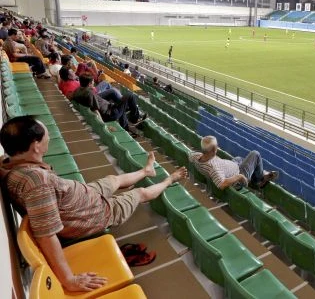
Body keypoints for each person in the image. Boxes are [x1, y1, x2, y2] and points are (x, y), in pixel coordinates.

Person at [0, 115, 187, 293]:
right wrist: (69, 280)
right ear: (36, 146)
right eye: (46, 135)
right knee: (140, 193)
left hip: (81, 195)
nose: (49, 137)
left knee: (113, 179)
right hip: (94, 213)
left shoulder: (9, 164)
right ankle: (170, 179)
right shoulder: (36, 183)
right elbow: (46, 235)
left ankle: (147, 171)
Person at [190, 136, 278, 190]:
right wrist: (239, 176)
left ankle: (259, 173)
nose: (218, 146)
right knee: (255, 154)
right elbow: (222, 184)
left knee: (239, 158)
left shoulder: (196, 156)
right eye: (217, 145)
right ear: (214, 150)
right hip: (239, 174)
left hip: (233, 165)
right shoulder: (213, 168)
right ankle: (258, 180)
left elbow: (189, 155)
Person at [71, 73, 146, 133]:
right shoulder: (90, 93)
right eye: (93, 81)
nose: (94, 83)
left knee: (121, 104)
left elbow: (72, 98)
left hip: (109, 108)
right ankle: (134, 119)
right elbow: (96, 111)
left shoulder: (77, 91)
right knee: (130, 96)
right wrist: (105, 126)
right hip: (110, 113)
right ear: (89, 84)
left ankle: (126, 128)